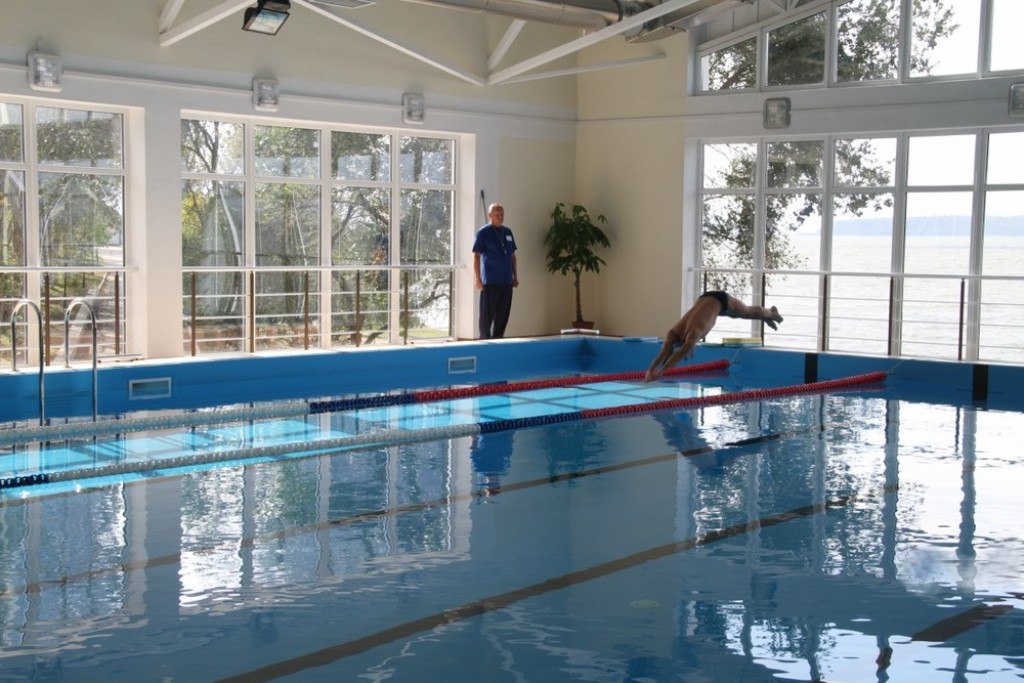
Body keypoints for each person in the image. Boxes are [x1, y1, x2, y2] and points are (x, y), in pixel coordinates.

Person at [644, 290, 783, 382]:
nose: (688, 352)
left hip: (720, 300)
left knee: (747, 312)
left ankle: (771, 313)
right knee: (738, 314)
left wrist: (661, 373)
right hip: (706, 299)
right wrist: (650, 370)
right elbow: (664, 352)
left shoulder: (694, 332)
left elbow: (680, 353)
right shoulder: (673, 333)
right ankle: (766, 316)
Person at [473, 202, 518, 339]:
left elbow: (512, 256)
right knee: (486, 317)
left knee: (503, 316)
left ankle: (498, 339)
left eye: (502, 214)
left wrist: (515, 276)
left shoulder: (508, 232)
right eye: (497, 214)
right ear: (490, 215)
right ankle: (484, 341)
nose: (500, 216)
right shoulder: (483, 232)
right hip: (490, 282)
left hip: (506, 282)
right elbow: (476, 256)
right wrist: (478, 279)